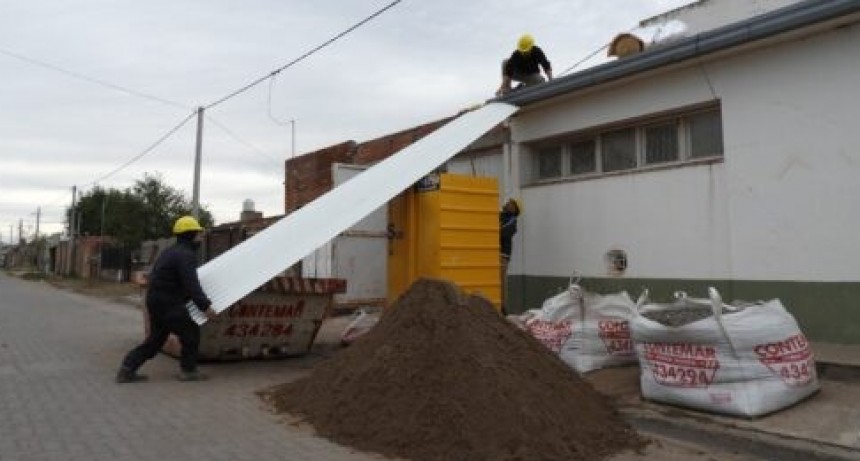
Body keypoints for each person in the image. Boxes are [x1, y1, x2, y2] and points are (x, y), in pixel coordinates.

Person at [116, 216, 216, 383]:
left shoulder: (170, 252)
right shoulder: (186, 255)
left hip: (156, 300)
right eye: (198, 234)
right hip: (168, 303)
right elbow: (191, 284)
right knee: (191, 333)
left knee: (155, 341)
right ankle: (189, 371)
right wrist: (205, 307)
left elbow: (170, 280)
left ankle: (127, 369)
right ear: (190, 234)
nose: (200, 237)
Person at [500, 198, 522, 315]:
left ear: (514, 209)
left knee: (501, 281)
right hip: (495, 253)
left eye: (510, 203)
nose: (507, 204)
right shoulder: (501, 216)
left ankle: (503, 308)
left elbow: (503, 233)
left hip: (502, 255)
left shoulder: (511, 220)